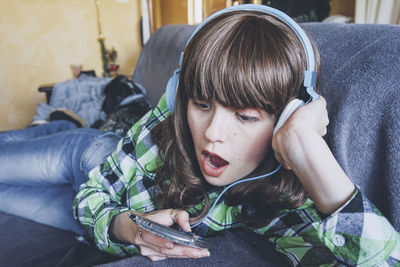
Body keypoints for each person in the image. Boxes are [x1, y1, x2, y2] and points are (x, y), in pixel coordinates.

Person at [0, 5, 399, 266]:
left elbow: (385, 261)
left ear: (284, 121)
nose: (211, 134)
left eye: (244, 115)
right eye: (202, 104)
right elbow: (92, 192)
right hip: (90, 154)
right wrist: (130, 226)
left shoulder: (283, 211)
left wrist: (309, 152)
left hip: (94, 191)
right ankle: (63, 126)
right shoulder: (166, 122)